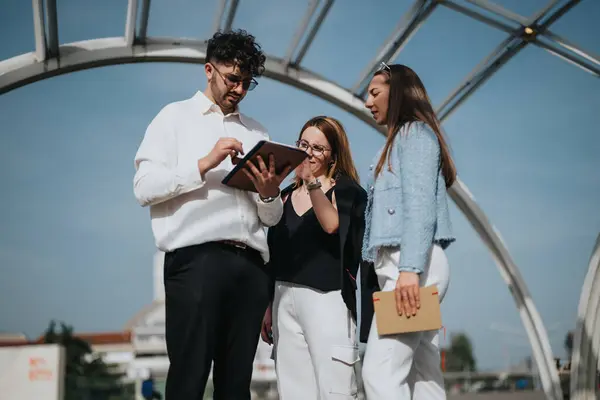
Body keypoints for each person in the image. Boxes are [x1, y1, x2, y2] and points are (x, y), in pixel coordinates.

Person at [133, 29, 291, 400]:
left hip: (252, 267)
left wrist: (270, 195)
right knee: (188, 379)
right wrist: (204, 163)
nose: (238, 89)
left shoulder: (258, 131)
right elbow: (144, 188)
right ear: (208, 69)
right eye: (232, 78)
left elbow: (269, 219)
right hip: (195, 263)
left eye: (247, 83)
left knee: (236, 387)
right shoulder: (173, 118)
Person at [360, 62, 457, 399]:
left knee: (379, 372)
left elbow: (419, 208)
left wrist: (409, 270)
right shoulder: (403, 138)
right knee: (422, 374)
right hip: (411, 265)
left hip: (412, 264)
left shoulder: (413, 135)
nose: (368, 102)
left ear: (397, 91)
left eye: (374, 93)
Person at [260, 116, 371, 399]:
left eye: (318, 148)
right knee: (294, 390)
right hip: (284, 298)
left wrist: (311, 182)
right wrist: (268, 305)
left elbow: (332, 224)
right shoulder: (284, 196)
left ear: (333, 154)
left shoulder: (347, 191)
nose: (308, 152)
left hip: (328, 298)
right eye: (304, 144)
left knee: (335, 388)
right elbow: (274, 253)